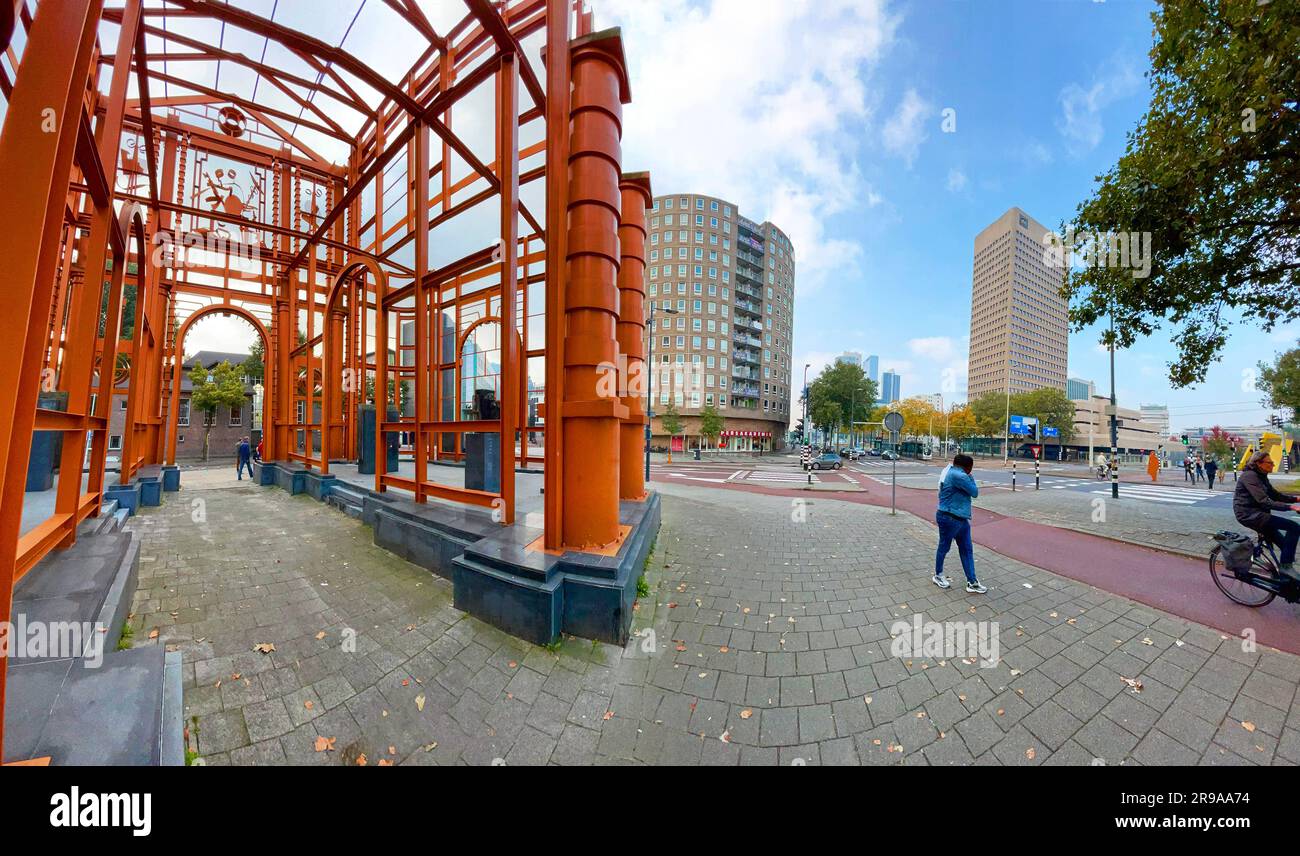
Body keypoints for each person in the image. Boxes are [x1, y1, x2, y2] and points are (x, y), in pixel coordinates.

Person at [1233, 451, 1300, 582]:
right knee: (1294, 527)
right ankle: (1286, 569)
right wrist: (1291, 507)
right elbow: (1263, 501)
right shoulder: (1249, 476)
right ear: (1258, 463)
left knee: (1284, 544)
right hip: (1249, 515)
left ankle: (1286, 580)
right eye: (1270, 463)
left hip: (1259, 514)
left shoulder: (1261, 476)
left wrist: (1296, 499)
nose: (1273, 465)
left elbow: (1275, 495)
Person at [933, 453, 986, 594]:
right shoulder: (960, 476)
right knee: (945, 547)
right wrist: (970, 477)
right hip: (950, 517)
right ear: (967, 467)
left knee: (966, 549)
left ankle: (972, 581)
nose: (971, 471)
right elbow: (974, 492)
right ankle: (938, 575)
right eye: (971, 468)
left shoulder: (949, 471)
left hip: (959, 518)